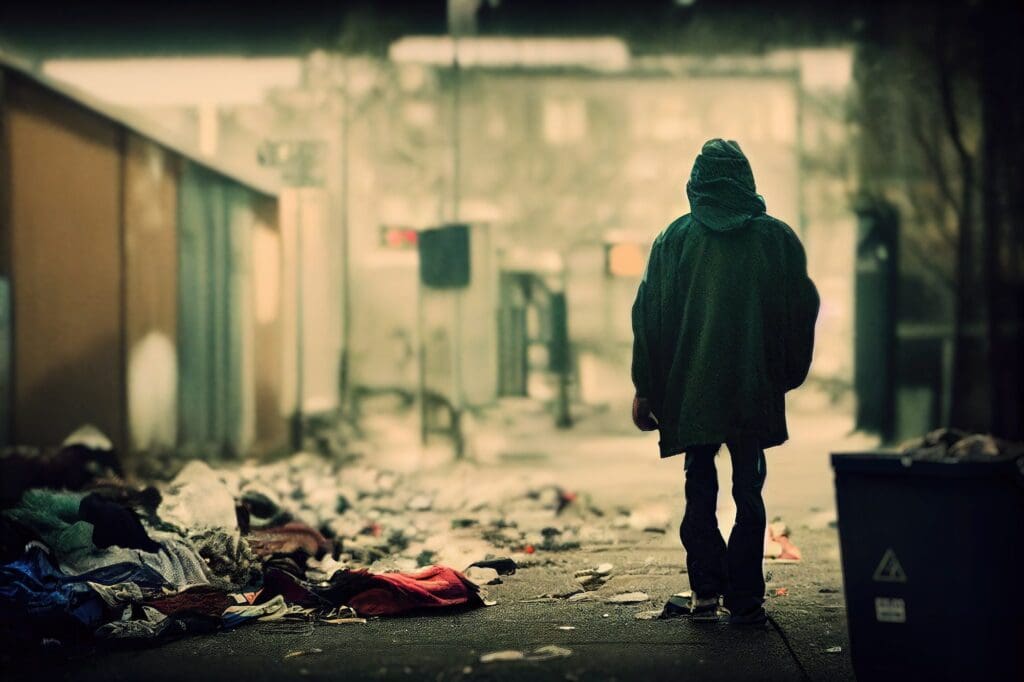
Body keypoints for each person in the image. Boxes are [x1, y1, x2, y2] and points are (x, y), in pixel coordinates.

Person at [630, 139, 819, 625]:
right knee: (748, 489)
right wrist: (783, 374)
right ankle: (747, 597)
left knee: (699, 486)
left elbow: (651, 316)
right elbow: (799, 312)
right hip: (752, 388)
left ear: (696, 183)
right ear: (747, 181)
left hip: (692, 391)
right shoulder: (776, 240)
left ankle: (706, 593)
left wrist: (647, 387)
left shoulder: (675, 240)